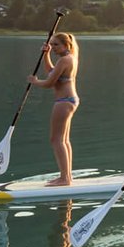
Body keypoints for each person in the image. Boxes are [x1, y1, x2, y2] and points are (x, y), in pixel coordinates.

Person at [28, 31, 79, 186]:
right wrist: (46, 55)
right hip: (69, 100)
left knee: (56, 140)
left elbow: (49, 83)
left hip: (64, 102)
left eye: (56, 44)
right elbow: (52, 72)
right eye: (51, 44)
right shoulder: (69, 58)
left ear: (66, 45)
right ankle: (67, 177)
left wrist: (34, 81)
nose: (53, 47)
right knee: (63, 140)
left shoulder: (65, 60)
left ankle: (64, 179)